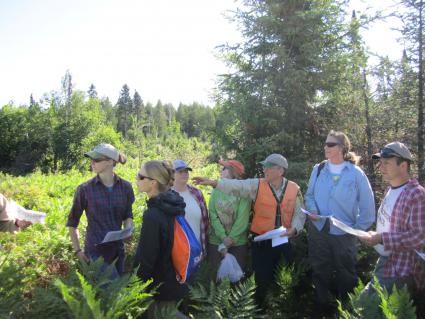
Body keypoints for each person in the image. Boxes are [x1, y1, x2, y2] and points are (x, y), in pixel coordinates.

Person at [193, 153, 305, 308]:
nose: (264, 170)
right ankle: (260, 310)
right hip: (261, 241)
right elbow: (237, 186)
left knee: (284, 278)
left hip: (284, 240)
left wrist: (295, 228)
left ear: (280, 170)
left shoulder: (294, 188)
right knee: (261, 280)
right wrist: (214, 183)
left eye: (268, 167)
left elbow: (300, 213)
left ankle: (283, 309)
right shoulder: (257, 185)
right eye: (264, 166)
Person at [304, 130, 375, 316]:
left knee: (346, 273)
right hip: (318, 228)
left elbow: (368, 206)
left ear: (342, 148)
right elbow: (309, 195)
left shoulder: (355, 173)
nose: (325, 147)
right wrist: (312, 210)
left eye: (330, 144)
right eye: (325, 143)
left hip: (345, 232)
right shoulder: (318, 169)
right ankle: (322, 306)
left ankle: (347, 310)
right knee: (319, 269)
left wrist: (357, 231)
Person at [359, 142, 425, 294]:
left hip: (401, 270)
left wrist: (381, 238)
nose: (381, 168)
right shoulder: (392, 189)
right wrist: (374, 237)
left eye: (386, 163)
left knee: (365, 308)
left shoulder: (416, 195)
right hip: (386, 263)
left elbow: (419, 237)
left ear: (403, 165)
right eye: (380, 163)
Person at [67, 143, 134, 277]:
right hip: (95, 253)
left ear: (110, 162)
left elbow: (128, 214)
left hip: (118, 251)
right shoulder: (85, 189)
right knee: (113, 289)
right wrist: (78, 251)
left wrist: (128, 229)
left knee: (113, 294)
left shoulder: (126, 187)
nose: (92, 162)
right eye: (91, 159)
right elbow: (72, 222)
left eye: (97, 159)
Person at [133, 160, 189, 319]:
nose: (136, 179)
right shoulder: (174, 204)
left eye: (140, 176)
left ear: (153, 183)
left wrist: (134, 287)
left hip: (157, 286)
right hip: (174, 279)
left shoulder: (153, 215)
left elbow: (146, 258)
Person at [207, 160, 251, 273]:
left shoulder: (244, 192)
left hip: (238, 243)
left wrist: (230, 239)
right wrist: (223, 237)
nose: (220, 170)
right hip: (216, 242)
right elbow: (212, 214)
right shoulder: (216, 190)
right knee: (216, 280)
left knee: (236, 282)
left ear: (233, 172)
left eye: (224, 168)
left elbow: (243, 219)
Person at [172, 159, 208, 257]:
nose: (184, 174)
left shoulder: (197, 193)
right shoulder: (166, 196)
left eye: (186, 171)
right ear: (171, 174)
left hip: (196, 251)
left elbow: (205, 222)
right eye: (180, 171)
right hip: (175, 252)